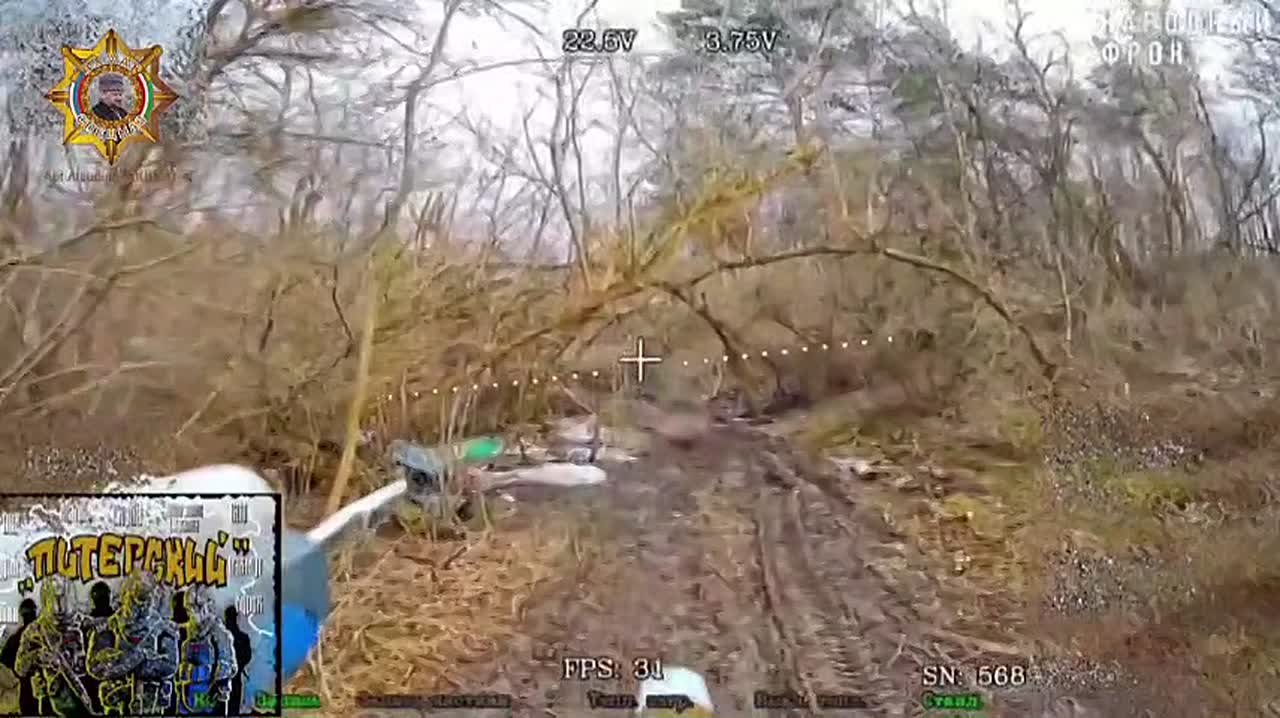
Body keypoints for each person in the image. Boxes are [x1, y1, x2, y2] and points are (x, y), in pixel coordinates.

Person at [0, 599, 39, 715]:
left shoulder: (16, 637)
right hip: (43, 692)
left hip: (25, 691)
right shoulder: (46, 634)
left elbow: (4, 661)